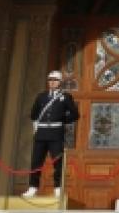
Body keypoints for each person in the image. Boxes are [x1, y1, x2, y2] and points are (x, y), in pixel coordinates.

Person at [24, 70, 79, 198]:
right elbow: (33, 114)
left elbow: (75, 115)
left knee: (58, 162)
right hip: (41, 133)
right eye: (50, 80)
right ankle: (33, 187)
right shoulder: (41, 96)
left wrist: (62, 120)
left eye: (55, 80)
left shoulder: (66, 97)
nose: (52, 82)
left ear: (60, 82)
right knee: (36, 161)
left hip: (56, 133)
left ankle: (58, 188)